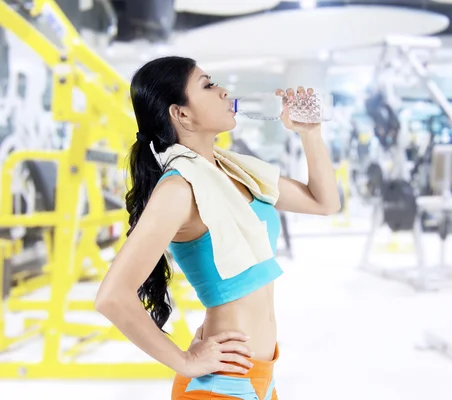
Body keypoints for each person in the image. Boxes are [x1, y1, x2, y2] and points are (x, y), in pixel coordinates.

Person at [94, 56, 340, 400]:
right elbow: (112, 297)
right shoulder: (179, 189)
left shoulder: (233, 171)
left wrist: (309, 134)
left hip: (261, 375)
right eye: (208, 85)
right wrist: (184, 361)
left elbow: (323, 202)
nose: (223, 91)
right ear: (181, 113)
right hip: (223, 384)